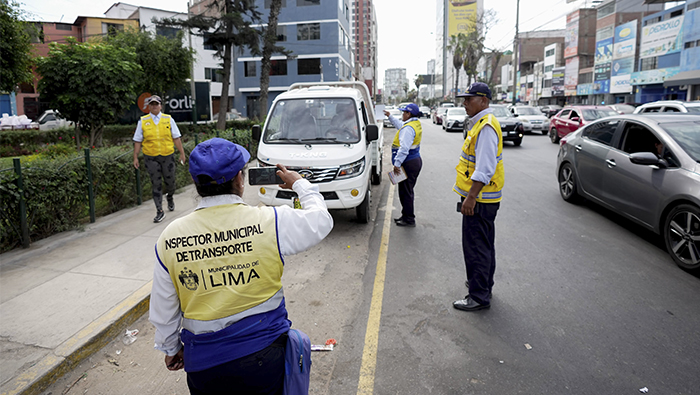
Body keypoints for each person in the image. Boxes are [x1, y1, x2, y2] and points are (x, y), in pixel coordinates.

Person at [149, 138, 333, 394]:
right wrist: (300, 184)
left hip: (205, 365)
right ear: (239, 178)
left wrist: (171, 349)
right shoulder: (270, 220)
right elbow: (321, 220)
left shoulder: (170, 237)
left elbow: (163, 308)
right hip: (264, 357)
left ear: (195, 182)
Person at [452, 83, 504, 312]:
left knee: (476, 248)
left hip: (480, 200)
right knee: (484, 246)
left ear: (483, 101)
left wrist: (470, 198)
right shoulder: (481, 124)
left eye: (469, 99)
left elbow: (484, 168)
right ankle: (482, 285)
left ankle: (478, 296)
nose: (464, 103)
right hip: (485, 199)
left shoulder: (485, 127)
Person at [133, 95, 187, 223]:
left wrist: (182, 153)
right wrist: (135, 156)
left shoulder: (168, 119)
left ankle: (170, 196)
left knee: (171, 182)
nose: (154, 106)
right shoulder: (143, 121)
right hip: (151, 157)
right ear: (149, 107)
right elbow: (137, 140)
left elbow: (176, 138)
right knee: (156, 183)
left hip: (167, 155)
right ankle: (159, 211)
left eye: (156, 104)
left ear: (160, 106)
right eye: (152, 104)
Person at [384, 103, 423, 227]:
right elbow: (400, 126)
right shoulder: (413, 124)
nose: (402, 114)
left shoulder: (408, 129)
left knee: (405, 192)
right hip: (413, 161)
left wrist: (397, 164)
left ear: (408, 114)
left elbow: (404, 149)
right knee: (406, 191)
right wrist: (390, 117)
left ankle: (409, 219)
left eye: (404, 112)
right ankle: (405, 215)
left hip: (408, 163)